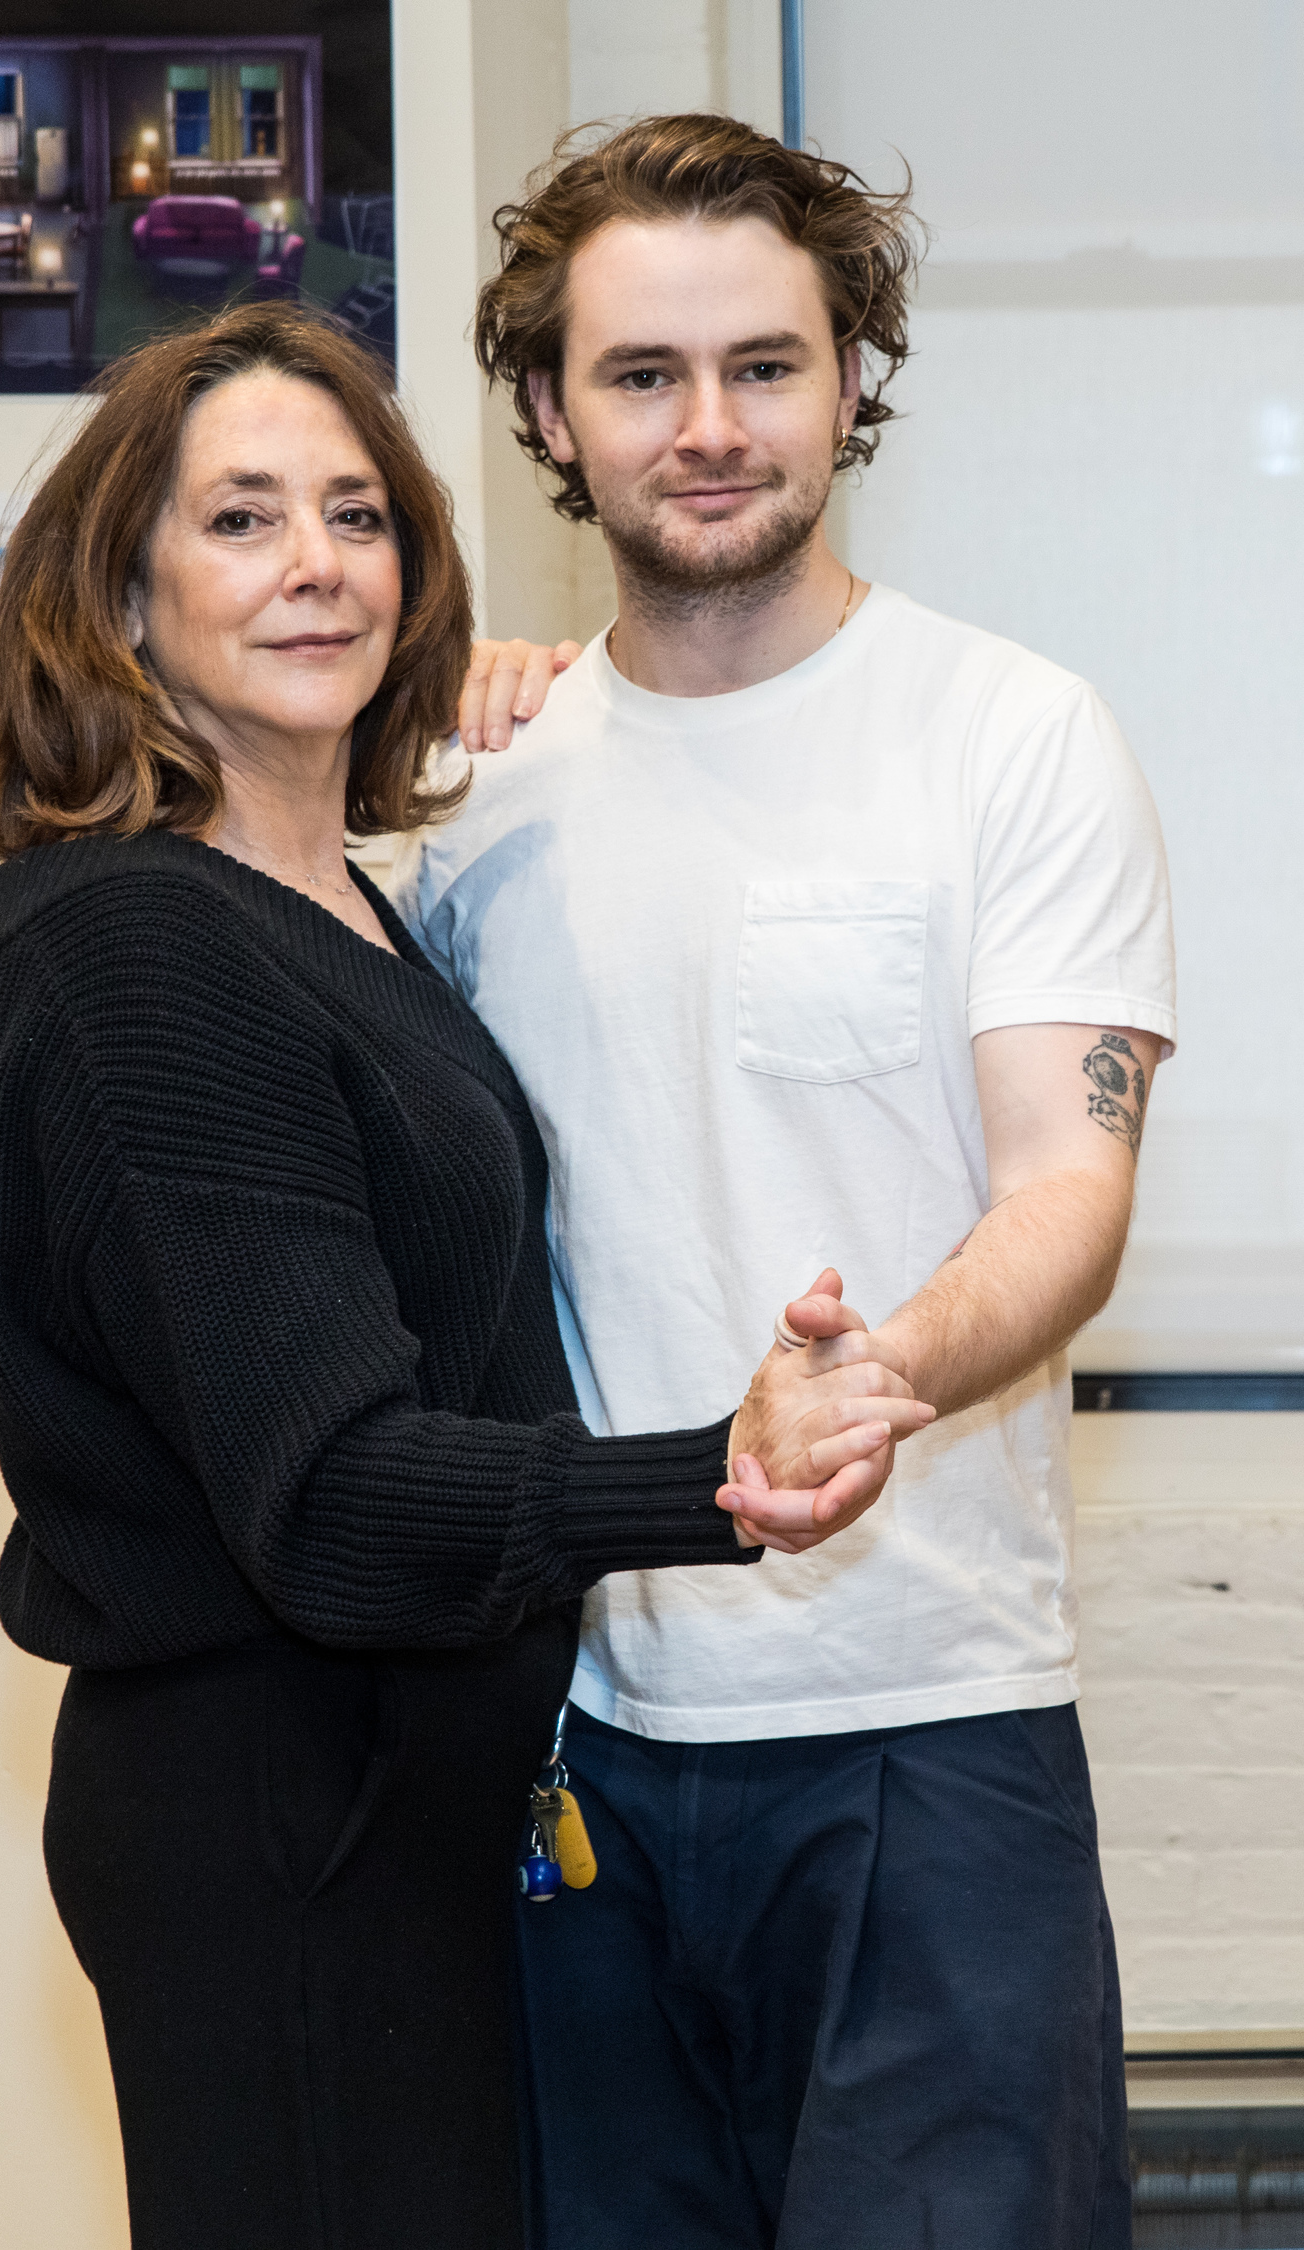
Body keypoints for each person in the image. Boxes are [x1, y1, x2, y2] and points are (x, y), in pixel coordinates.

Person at [0, 302, 935, 2250]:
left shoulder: (335, 903)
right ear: (125, 599)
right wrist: (707, 1473)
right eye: (240, 520)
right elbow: (324, 1497)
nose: (316, 560)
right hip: (275, 1830)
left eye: (356, 513)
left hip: (397, 1812)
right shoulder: (143, 947)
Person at [394, 116, 1177, 2249]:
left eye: (766, 364)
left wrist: (884, 1374)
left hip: (930, 1737)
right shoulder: (473, 792)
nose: (710, 426)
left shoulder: (1009, 736)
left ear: (853, 380)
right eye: (642, 375)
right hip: (576, 1761)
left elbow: (1063, 1191)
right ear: (550, 408)